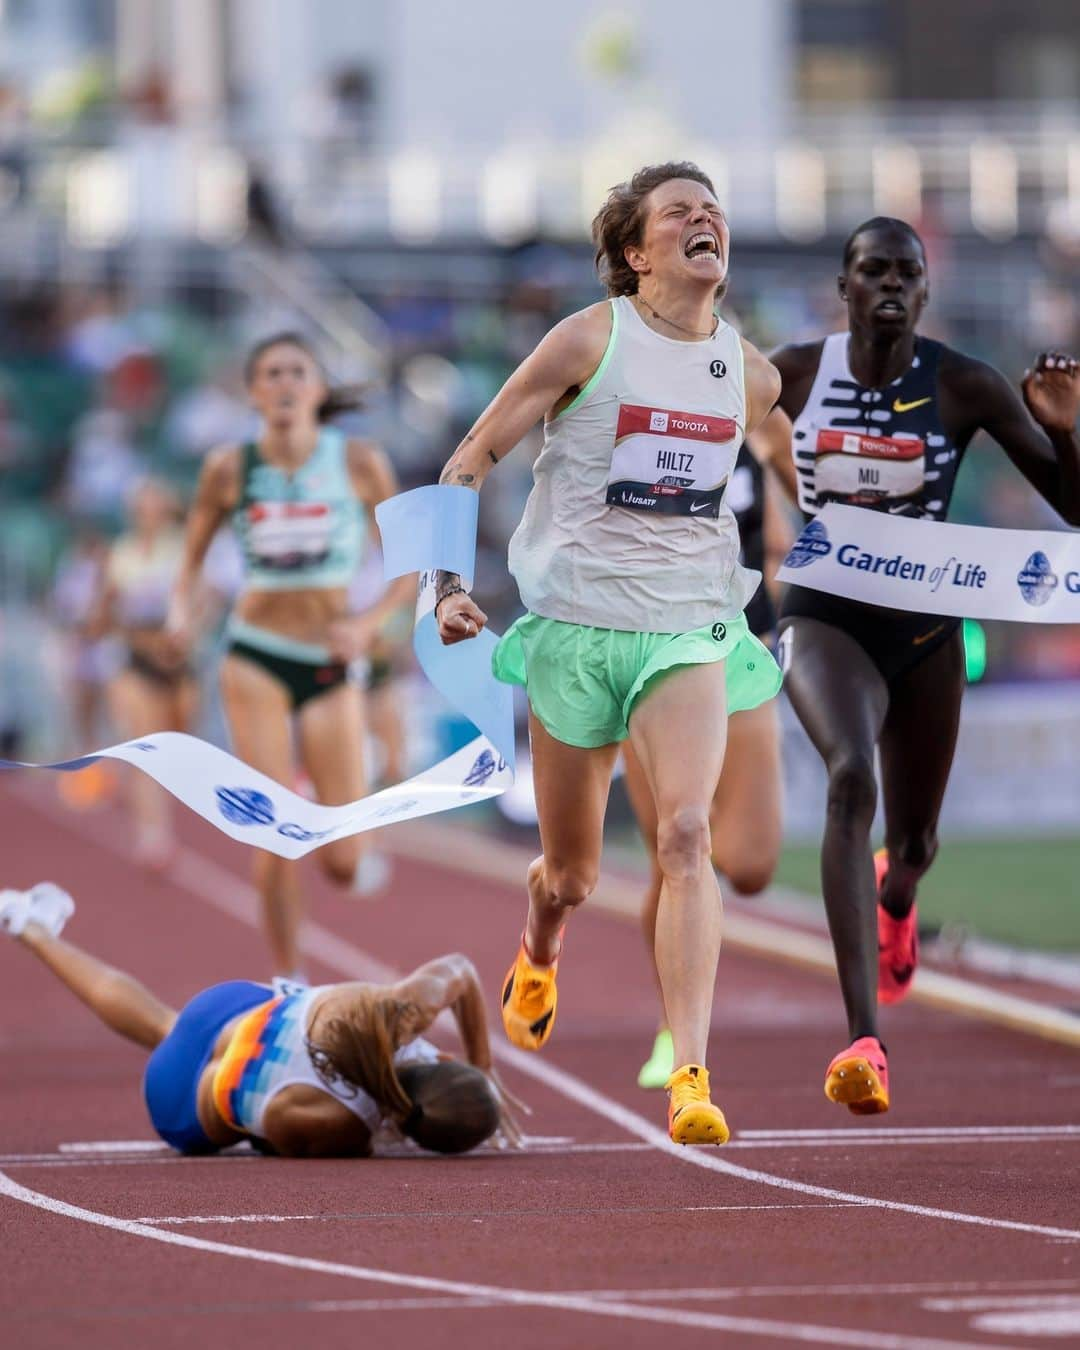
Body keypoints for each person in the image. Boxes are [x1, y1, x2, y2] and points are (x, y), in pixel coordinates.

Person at [432, 162, 783, 1145]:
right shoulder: (590, 336)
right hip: (578, 633)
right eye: (680, 211)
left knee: (684, 837)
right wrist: (446, 586)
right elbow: (470, 455)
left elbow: (785, 454)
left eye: (714, 207)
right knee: (572, 873)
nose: (704, 218)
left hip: (687, 629)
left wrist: (808, 514)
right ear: (636, 252)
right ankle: (539, 944)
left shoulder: (747, 370)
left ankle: (692, 1077)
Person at [771, 216, 1080, 1114]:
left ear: (926, 290)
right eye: (875, 270)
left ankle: (898, 895)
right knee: (847, 779)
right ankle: (863, 1040)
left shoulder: (964, 384)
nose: (893, 284)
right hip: (824, 617)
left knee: (912, 843)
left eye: (909, 271)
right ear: (846, 287)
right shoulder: (791, 375)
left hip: (927, 632)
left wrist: (1064, 432)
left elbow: (1074, 506)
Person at [169, 334, 413, 978]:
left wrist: (367, 624)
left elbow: (409, 565)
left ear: (317, 390)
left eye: (295, 372)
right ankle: (289, 980)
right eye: (269, 373)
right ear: (253, 392)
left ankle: (336, 813)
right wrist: (179, 617)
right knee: (274, 831)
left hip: (331, 660)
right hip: (256, 654)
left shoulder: (360, 462)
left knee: (343, 864)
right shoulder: (229, 467)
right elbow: (189, 561)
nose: (282, 383)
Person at [0, 881, 517, 1157]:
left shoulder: (397, 1014)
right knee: (162, 1031)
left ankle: (32, 922)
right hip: (184, 1099)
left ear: (444, 1058)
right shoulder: (344, 1128)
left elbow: (462, 971)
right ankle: (30, 928)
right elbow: (271, 1140)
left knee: (167, 1022)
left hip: (232, 1009)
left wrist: (485, 1065)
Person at [623, 436, 791, 1089]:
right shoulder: (629, 427)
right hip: (650, 655)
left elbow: (775, 540)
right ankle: (676, 1027)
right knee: (674, 851)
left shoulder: (751, 434)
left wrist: (781, 617)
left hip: (739, 649)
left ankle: (694, 885)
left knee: (750, 865)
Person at [95, 478, 199, 867]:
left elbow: (202, 598)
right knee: (147, 745)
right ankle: (153, 834)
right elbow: (107, 612)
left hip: (178, 657)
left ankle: (153, 806)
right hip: (138, 657)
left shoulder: (184, 547)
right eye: (142, 505)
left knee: (180, 742)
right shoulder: (121, 553)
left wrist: (184, 638)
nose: (148, 512)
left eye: (155, 504)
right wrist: (141, 641)